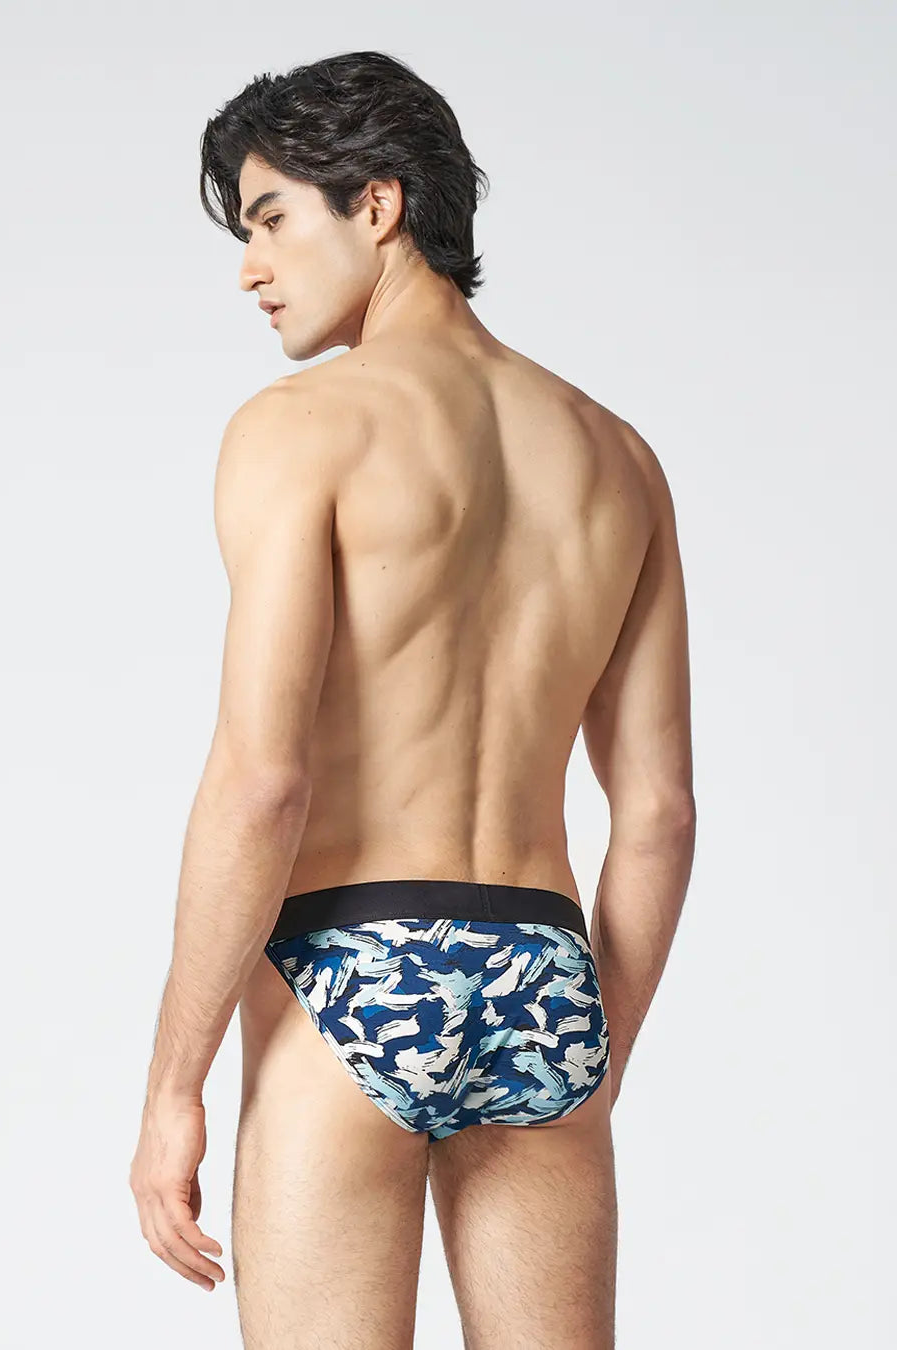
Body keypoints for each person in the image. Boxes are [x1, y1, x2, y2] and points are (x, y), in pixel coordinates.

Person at [129, 48, 695, 1350]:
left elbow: (263, 782)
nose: (250, 268)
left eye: (271, 219)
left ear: (377, 203)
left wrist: (173, 1085)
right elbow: (660, 814)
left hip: (350, 963)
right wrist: (586, 1059)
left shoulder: (300, 428)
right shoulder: (619, 458)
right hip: (545, 970)